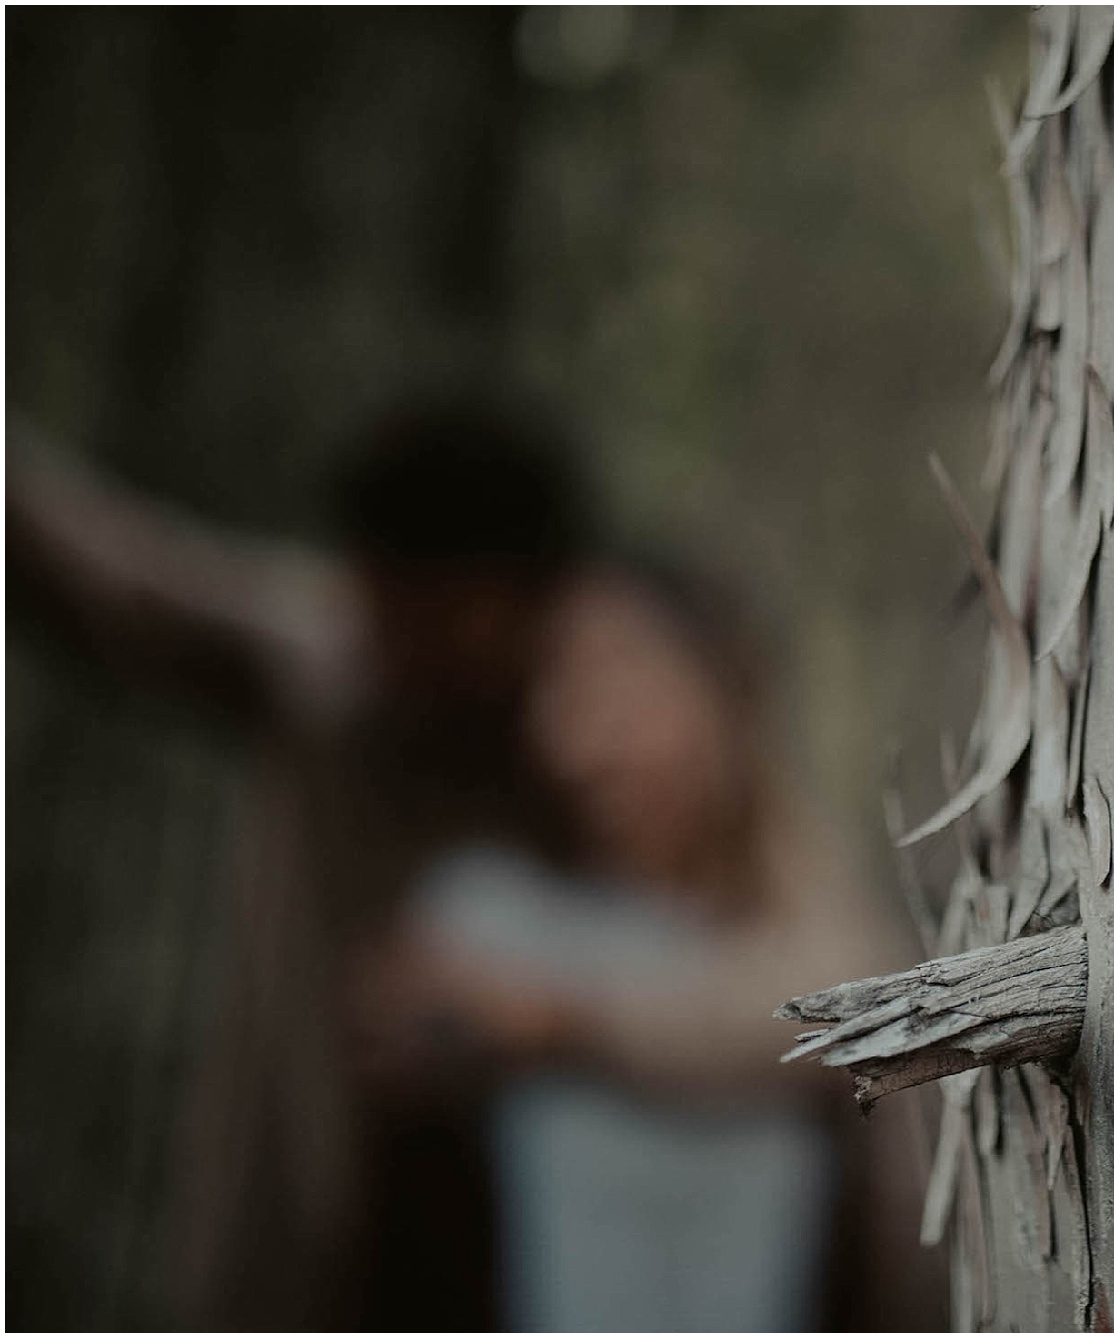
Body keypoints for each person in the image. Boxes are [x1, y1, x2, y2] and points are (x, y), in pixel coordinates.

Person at [10, 401, 591, 1328]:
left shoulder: (610, 758)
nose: (392, 643)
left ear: (529, 603)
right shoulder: (320, 669)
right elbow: (104, 575)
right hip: (282, 1267)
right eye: (377, 605)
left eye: (433, 616)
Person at [351, 559, 908, 1329]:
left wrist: (562, 1022)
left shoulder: (795, 936)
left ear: (724, 690)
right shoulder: (500, 914)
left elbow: (859, 1006)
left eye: (621, 676)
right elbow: (396, 1026)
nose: (583, 733)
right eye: (560, 686)